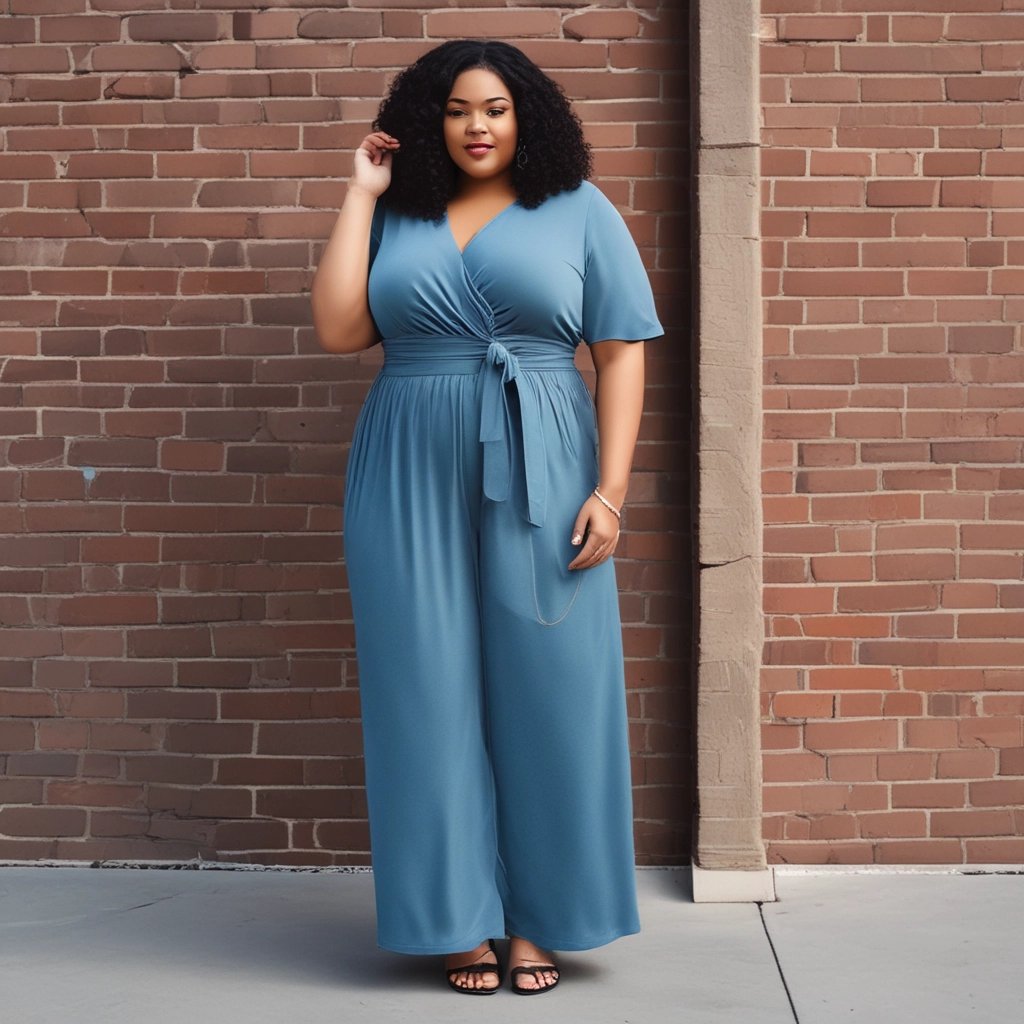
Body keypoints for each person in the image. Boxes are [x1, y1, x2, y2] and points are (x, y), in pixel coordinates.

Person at [310, 38, 664, 996]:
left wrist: (613, 492)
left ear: (527, 118)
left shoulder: (579, 210)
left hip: (546, 462)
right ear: (434, 117)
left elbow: (622, 351)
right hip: (406, 463)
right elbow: (342, 329)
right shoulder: (402, 214)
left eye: (497, 109)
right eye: (459, 108)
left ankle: (542, 920)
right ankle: (458, 920)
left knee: (552, 684)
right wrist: (361, 193)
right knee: (421, 687)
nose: (477, 126)